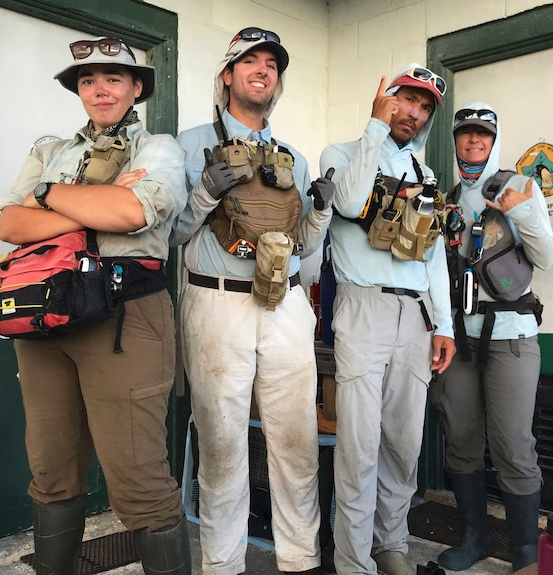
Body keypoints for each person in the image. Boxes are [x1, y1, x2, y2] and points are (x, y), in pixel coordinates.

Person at [0, 38, 190, 575]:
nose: (100, 89)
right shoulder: (50, 152)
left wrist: (46, 198)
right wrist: (81, 203)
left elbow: (132, 210)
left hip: (123, 316)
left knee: (139, 478)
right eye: (87, 80)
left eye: (113, 78)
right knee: (51, 467)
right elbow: (11, 226)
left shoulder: (159, 150)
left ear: (135, 89)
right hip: (43, 318)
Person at [170, 27, 334, 575]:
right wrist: (205, 193)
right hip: (216, 305)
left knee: (296, 443)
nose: (262, 70)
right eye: (250, 62)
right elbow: (169, 234)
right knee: (220, 445)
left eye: (271, 64)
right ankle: (222, 566)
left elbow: (307, 250)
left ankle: (301, 560)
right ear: (227, 75)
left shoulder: (294, 157)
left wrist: (320, 212)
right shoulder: (189, 144)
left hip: (285, 304)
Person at [319, 64, 456, 575]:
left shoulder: (425, 174)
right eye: (407, 100)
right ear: (386, 99)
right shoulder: (342, 153)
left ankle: (389, 543)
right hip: (364, 306)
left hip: (415, 313)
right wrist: (375, 128)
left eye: (424, 108)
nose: (414, 113)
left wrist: (444, 325)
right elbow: (352, 202)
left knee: (403, 441)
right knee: (358, 443)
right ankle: (354, 563)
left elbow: (435, 256)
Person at [430, 103, 553, 572]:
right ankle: (473, 538)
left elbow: (546, 256)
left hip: (512, 335)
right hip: (458, 339)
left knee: (512, 445)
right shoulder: (443, 198)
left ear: (494, 139)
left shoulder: (521, 186)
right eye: (465, 134)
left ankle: (525, 551)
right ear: (456, 140)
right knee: (460, 438)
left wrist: (521, 213)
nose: (473, 142)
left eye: (482, 134)